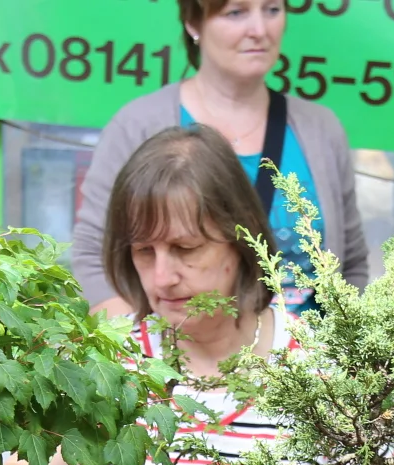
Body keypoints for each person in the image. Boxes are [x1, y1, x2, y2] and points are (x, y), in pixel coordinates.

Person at [0, 127, 394, 465]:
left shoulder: (316, 364)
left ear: (242, 241)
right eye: (143, 251)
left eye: (185, 249)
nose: (162, 276)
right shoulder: (113, 360)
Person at [69, 0, 369, 317]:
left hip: (310, 358)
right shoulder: (138, 126)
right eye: (236, 13)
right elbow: (94, 252)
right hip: (178, 355)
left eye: (272, 10)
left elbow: (351, 261)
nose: (259, 30)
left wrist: (340, 351)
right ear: (193, 24)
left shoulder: (320, 129)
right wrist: (143, 351)